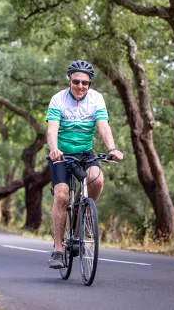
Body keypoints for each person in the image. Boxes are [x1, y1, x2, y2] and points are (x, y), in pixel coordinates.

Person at [46, 60, 123, 269]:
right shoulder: (58, 99)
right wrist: (54, 149)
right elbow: (52, 129)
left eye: (85, 83)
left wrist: (112, 149)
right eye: (76, 81)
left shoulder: (96, 99)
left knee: (96, 181)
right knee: (61, 195)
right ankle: (59, 250)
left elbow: (103, 126)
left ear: (90, 84)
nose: (80, 86)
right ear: (69, 80)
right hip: (60, 153)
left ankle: (82, 213)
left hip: (84, 152)